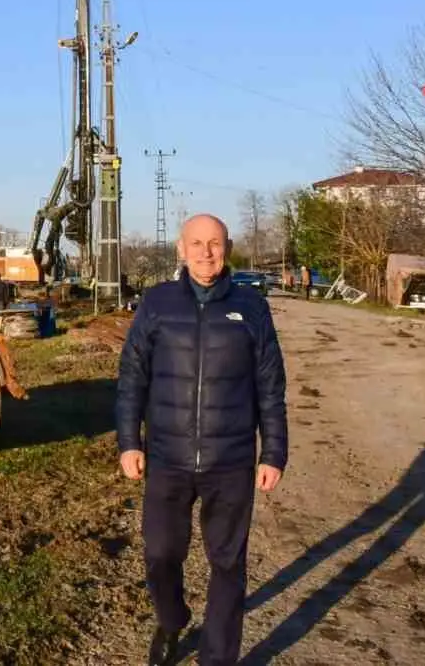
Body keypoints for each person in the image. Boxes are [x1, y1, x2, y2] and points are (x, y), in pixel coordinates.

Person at [115, 214, 289, 666]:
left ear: (227, 247)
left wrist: (273, 452)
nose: (205, 252)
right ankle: (171, 621)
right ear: (181, 249)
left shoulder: (251, 307)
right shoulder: (157, 302)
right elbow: (133, 377)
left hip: (229, 461)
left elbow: (270, 385)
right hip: (167, 458)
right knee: (159, 555)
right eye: (196, 243)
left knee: (227, 564)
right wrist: (129, 441)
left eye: (214, 243)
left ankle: (217, 657)